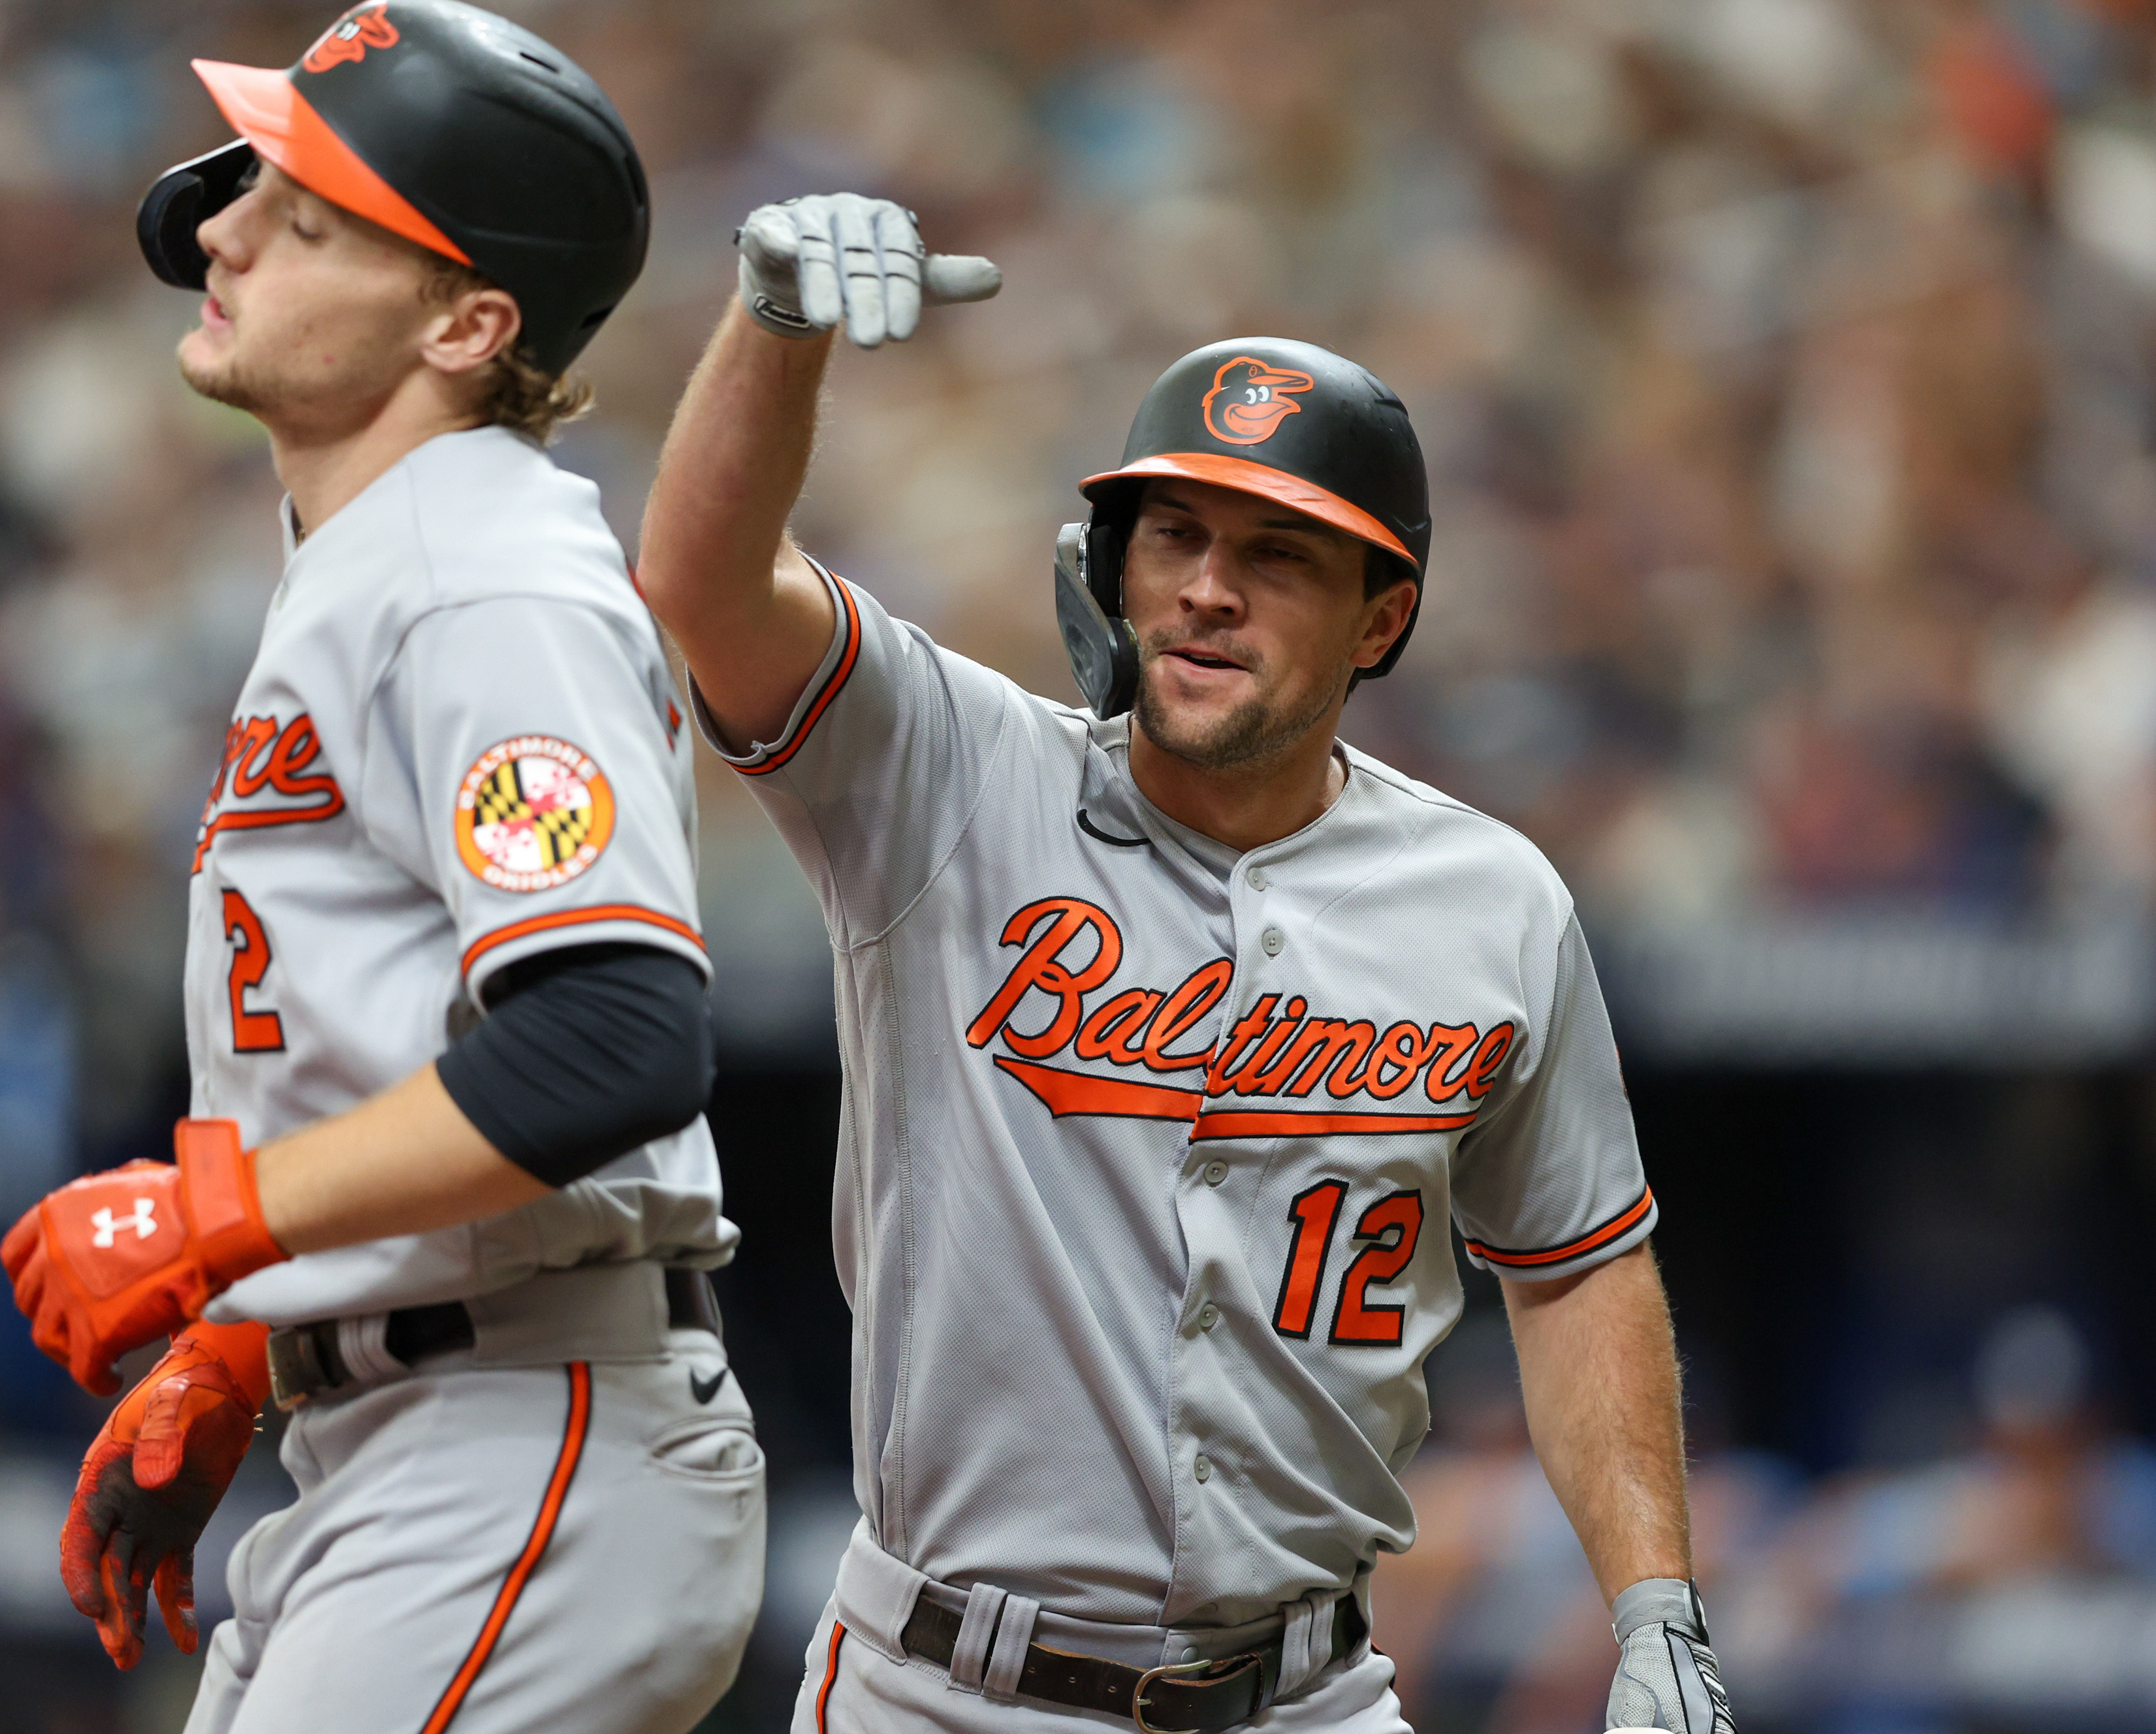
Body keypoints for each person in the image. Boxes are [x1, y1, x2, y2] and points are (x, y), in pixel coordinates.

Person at [635, 193, 1732, 1734]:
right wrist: (773, 332)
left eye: (1279, 555)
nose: (1209, 586)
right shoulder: (951, 778)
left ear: (1383, 619)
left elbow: (1576, 1265)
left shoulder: (1494, 901)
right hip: (947, 1686)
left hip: (1311, 1691)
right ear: (1110, 567)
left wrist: (1657, 1610)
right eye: (1176, 535)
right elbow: (702, 581)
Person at [0, 7, 763, 1731]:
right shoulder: (386, 561)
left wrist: (212, 1227)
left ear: (467, 321)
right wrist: (252, 1336)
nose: (221, 231)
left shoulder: (483, 579)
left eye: (310, 217)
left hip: (523, 1446)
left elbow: (615, 1037)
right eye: (252, 188)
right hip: (415, 1434)